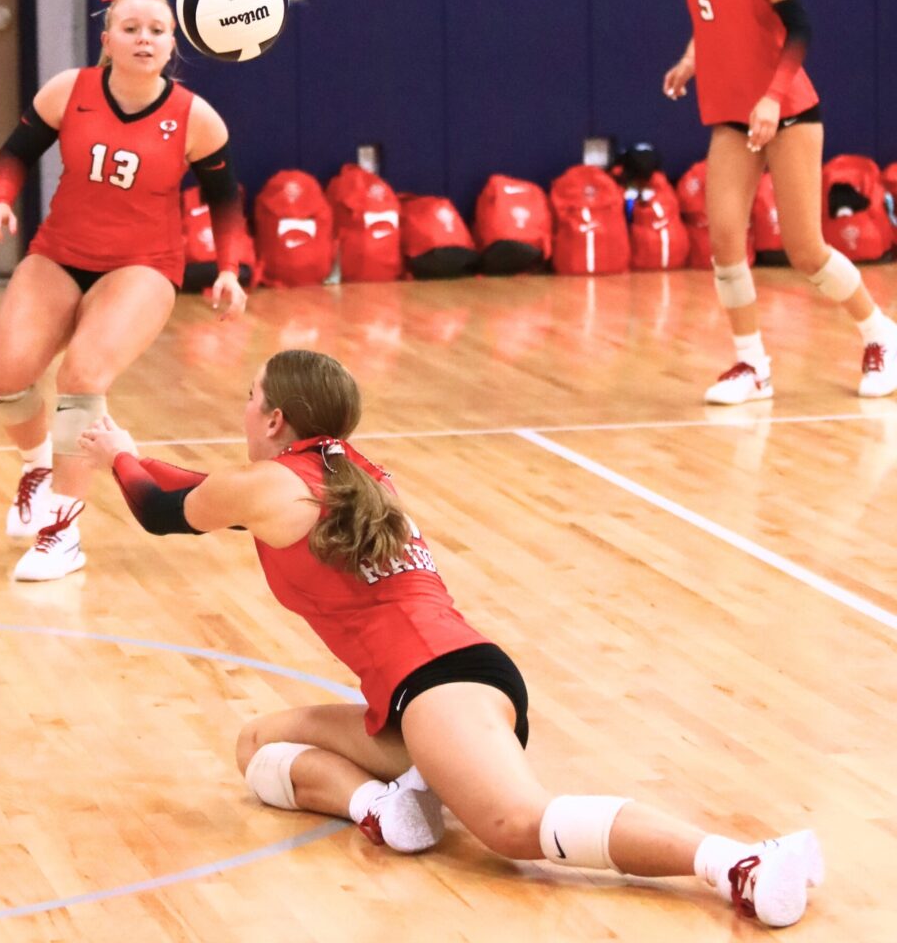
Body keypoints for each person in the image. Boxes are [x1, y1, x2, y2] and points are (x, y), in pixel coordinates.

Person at [79, 348, 824, 929]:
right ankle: (384, 808)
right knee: (259, 745)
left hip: (439, 684)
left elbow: (160, 507)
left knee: (513, 825)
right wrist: (131, 447)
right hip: (432, 689)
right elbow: (204, 484)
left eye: (249, 395)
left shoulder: (272, 485)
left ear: (275, 420)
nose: (242, 408)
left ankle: (738, 862)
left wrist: (117, 455)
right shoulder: (354, 473)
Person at [0, 0, 248, 581]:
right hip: (61, 253)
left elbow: (225, 199)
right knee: (3, 382)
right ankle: (36, 466)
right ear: (107, 39)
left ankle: (61, 534)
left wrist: (228, 267)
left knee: (83, 378)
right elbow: (13, 154)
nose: (144, 39)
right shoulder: (69, 91)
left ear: (174, 44)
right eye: (131, 29)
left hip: (143, 265)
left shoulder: (195, 117)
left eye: (157, 31)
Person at [663, 0, 897, 404]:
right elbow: (707, 21)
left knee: (806, 250)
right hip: (733, 115)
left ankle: (881, 335)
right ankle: (753, 365)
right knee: (725, 240)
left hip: (788, 110)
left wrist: (772, 97)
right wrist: (691, 59)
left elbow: (800, 26)